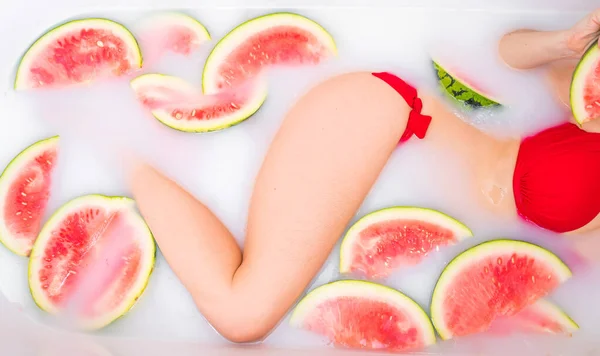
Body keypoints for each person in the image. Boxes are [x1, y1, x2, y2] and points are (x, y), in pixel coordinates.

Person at [124, 9, 600, 343]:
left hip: (403, 193)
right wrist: (564, 43)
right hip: (395, 119)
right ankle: (114, 146)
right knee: (243, 314)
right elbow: (505, 61)